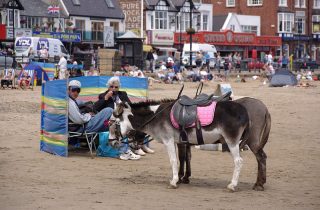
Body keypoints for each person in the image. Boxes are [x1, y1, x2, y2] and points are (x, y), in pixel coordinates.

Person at [94, 77, 154, 159]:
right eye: (111, 87)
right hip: (111, 119)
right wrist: (106, 98)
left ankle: (141, 144)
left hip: (124, 116)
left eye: (116, 87)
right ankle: (135, 148)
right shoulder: (103, 95)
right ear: (108, 87)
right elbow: (95, 108)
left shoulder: (122, 94)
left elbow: (130, 105)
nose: (114, 89)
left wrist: (124, 104)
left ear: (119, 87)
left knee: (140, 120)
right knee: (126, 125)